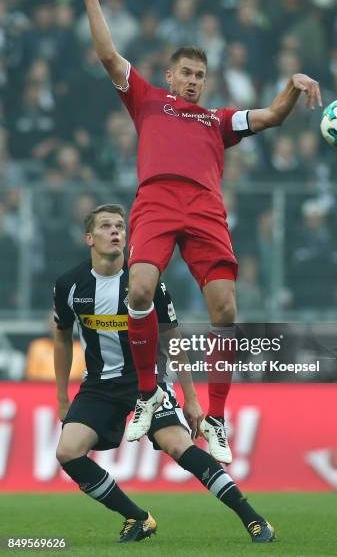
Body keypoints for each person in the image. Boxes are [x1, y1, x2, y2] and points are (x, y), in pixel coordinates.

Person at [74, 0, 322, 464]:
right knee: (139, 289)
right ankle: (147, 394)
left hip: (206, 206)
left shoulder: (218, 120)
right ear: (170, 75)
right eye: (186, 73)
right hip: (159, 200)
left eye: (200, 75)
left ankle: (217, 416)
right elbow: (106, 54)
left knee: (226, 310)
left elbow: (273, 116)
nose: (193, 81)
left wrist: (293, 84)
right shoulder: (147, 100)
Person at [54, 204, 275, 544]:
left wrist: (190, 397)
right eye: (106, 227)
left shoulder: (145, 280)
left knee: (178, 446)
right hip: (100, 384)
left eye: (120, 227)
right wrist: (62, 398)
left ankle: (254, 519)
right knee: (67, 452)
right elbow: (62, 339)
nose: (115, 232)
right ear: (89, 238)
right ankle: (137, 518)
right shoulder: (69, 284)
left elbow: (174, 341)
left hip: (149, 382)